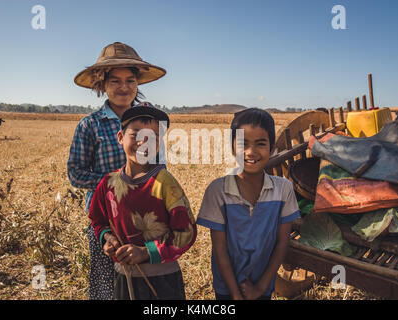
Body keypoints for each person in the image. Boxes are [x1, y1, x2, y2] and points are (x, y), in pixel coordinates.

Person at [67, 42, 166, 300]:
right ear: (102, 84)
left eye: (130, 80)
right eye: (115, 81)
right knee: (107, 285)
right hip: (105, 222)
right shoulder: (90, 125)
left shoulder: (151, 122)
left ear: (137, 83)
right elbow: (75, 173)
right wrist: (115, 183)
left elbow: (161, 165)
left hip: (145, 218)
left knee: (146, 285)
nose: (124, 87)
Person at [88, 102, 197, 300]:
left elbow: (186, 233)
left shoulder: (165, 184)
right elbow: (98, 220)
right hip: (123, 276)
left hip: (162, 280)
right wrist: (108, 238)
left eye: (152, 138)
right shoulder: (108, 184)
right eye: (136, 134)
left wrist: (146, 252)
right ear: (120, 138)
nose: (143, 142)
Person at [196, 108, 300, 300]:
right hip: (226, 288)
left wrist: (260, 288)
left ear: (271, 149)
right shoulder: (218, 191)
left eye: (260, 144)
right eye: (243, 144)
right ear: (232, 148)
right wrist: (235, 293)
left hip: (263, 286)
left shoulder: (283, 189)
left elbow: (282, 242)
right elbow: (219, 248)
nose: (251, 152)